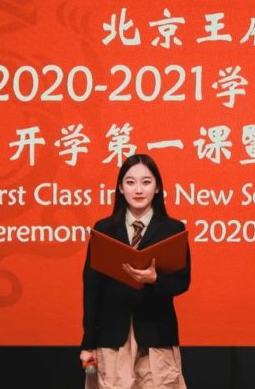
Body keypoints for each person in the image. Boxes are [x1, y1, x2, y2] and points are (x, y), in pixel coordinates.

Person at [80, 154, 190, 389]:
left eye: (146, 182)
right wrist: (88, 344)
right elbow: (92, 289)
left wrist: (155, 279)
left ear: (157, 187)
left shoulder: (172, 229)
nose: (138, 190)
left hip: (156, 336)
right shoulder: (104, 229)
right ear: (121, 188)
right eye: (130, 182)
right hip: (112, 337)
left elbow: (182, 282)